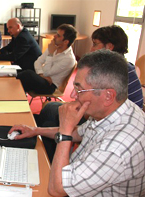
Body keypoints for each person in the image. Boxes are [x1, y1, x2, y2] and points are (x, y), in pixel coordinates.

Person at [9, 50, 145, 197]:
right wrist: (35, 130)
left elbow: (57, 190)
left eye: (80, 89)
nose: (73, 95)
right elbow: (78, 133)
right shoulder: (114, 109)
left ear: (108, 96)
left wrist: (65, 131)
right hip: (76, 176)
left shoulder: (117, 148)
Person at [36, 25, 144, 163]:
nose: (92, 48)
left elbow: (93, 110)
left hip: (109, 122)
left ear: (109, 47)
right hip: (103, 115)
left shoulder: (114, 73)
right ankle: (46, 155)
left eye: (95, 44)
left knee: (51, 111)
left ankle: (49, 158)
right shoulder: (124, 66)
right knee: (50, 113)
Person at [17, 24, 77, 94]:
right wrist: (40, 74)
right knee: (24, 75)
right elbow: (37, 62)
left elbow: (47, 72)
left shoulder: (69, 59)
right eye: (56, 34)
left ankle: (14, 81)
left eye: (58, 35)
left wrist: (50, 54)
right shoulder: (54, 46)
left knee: (27, 74)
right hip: (42, 78)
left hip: (50, 86)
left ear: (66, 41)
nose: (54, 36)